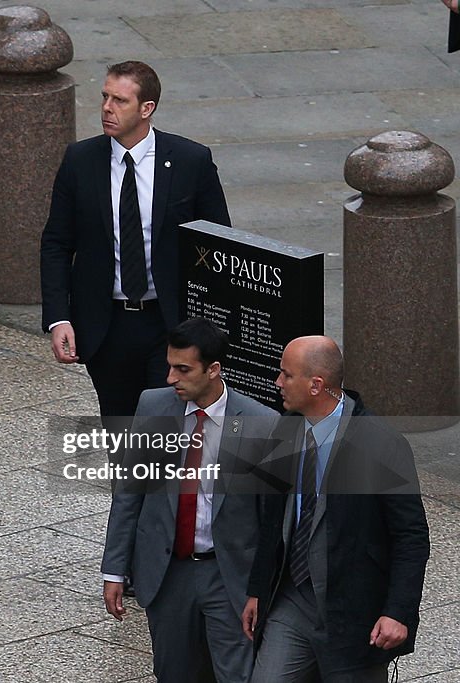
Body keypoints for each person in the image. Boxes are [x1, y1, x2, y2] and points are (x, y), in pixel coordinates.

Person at [40, 61, 231, 420]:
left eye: (120, 100)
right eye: (105, 97)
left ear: (147, 109)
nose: (107, 108)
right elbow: (56, 243)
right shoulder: (80, 161)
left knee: (163, 432)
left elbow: (218, 241)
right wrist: (58, 317)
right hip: (106, 326)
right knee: (120, 431)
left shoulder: (190, 161)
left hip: (167, 323)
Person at [242, 336, 430, 682]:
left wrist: (397, 612)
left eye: (286, 375)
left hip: (353, 615)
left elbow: (410, 537)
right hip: (291, 601)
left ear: (316, 385)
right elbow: (274, 519)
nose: (277, 383)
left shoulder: (380, 443)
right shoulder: (287, 430)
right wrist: (258, 588)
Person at [101, 318, 277, 682]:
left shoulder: (260, 422)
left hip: (228, 574)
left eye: (183, 369)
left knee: (236, 675)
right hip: (168, 573)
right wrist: (115, 570)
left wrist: (261, 588)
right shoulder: (153, 406)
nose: (170, 378)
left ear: (213, 370)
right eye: (169, 366)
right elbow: (130, 491)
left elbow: (270, 518)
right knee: (173, 672)